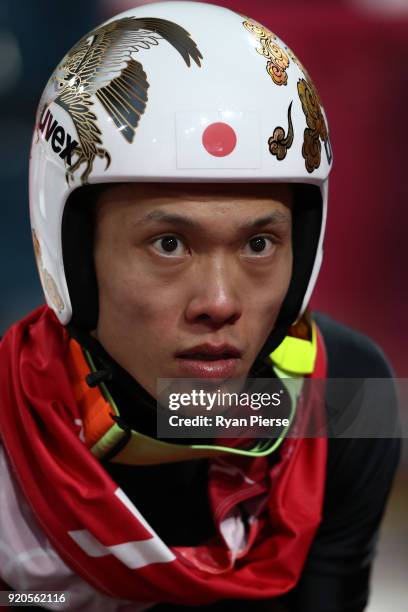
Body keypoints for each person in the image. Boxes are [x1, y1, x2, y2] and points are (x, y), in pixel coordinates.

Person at [0, 2, 400, 610]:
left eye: (260, 244)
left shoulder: (342, 394)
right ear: (70, 254)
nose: (219, 302)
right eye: (169, 244)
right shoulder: (8, 431)